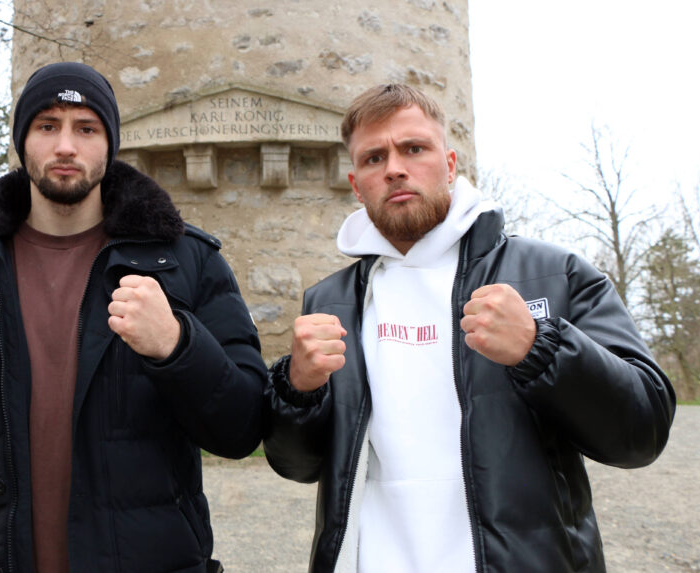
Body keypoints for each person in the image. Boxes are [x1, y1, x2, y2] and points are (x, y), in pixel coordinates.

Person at [0, 62, 266, 573]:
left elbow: (242, 429)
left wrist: (178, 347)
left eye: (87, 128)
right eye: (47, 126)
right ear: (23, 140)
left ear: (109, 144)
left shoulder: (186, 261)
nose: (66, 146)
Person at [262, 84, 676, 573]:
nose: (394, 167)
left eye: (414, 148)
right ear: (356, 184)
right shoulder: (329, 301)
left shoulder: (552, 273)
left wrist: (541, 349)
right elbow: (297, 465)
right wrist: (298, 390)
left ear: (451, 164)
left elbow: (641, 433)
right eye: (374, 158)